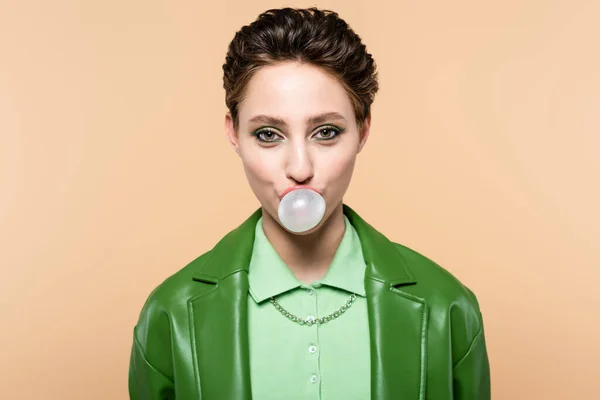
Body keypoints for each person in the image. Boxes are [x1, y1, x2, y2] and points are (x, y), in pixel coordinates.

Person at [128, 7, 491, 400]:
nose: (299, 169)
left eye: (326, 132)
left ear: (363, 130)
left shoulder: (447, 307)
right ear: (233, 133)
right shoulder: (170, 314)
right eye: (268, 134)